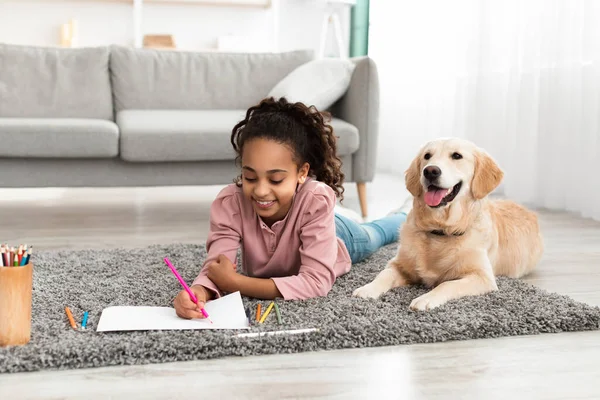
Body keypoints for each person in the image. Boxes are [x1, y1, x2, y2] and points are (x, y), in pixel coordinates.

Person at [174, 97, 410, 319]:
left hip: (341, 236)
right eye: (250, 177)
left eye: (275, 180)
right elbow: (217, 267)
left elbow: (316, 283)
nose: (261, 191)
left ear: (302, 173)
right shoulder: (230, 203)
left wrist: (236, 283)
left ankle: (404, 212)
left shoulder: (314, 199)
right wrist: (198, 293)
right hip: (313, 220)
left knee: (375, 234)